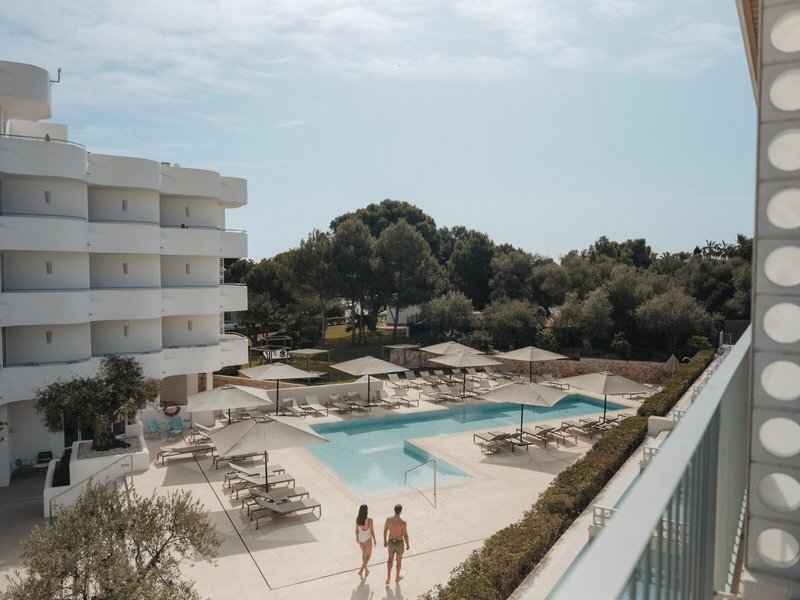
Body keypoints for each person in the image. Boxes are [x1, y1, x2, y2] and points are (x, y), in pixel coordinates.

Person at [383, 504, 410, 585]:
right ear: (400, 511)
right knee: (398, 561)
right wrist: (407, 544)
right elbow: (405, 535)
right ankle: (397, 577)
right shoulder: (403, 522)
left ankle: (388, 577)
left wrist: (385, 541)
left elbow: (385, 531)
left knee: (390, 560)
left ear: (394, 510)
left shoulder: (388, 519)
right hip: (399, 543)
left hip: (391, 542)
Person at [355, 504, 376, 578]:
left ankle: (366, 570)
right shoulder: (369, 520)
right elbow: (372, 532)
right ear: (366, 511)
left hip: (361, 536)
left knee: (364, 554)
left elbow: (357, 530)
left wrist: (357, 538)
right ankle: (361, 571)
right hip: (367, 538)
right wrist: (374, 539)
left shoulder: (358, 519)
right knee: (368, 556)